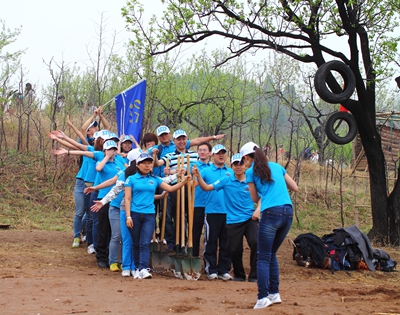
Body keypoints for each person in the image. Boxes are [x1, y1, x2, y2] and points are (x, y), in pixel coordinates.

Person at [239, 142, 298, 309]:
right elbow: (295, 187)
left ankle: (262, 297)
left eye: (244, 161)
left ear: (246, 157)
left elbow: (254, 199)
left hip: (271, 214)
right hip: (287, 212)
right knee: (271, 254)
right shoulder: (277, 166)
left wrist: (264, 194)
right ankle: (274, 293)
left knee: (263, 257)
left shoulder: (250, 172)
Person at [194, 153, 260, 282]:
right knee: (234, 248)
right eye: (235, 164)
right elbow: (207, 187)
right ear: (232, 166)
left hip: (249, 218)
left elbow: (262, 196)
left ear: (245, 165)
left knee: (256, 242)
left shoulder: (251, 179)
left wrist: (257, 210)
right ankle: (239, 275)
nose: (238, 167)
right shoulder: (226, 179)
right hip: (233, 220)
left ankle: (254, 275)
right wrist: (198, 176)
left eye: (241, 164)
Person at [124, 152, 191, 279]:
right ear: (138, 165)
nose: (147, 165)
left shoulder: (154, 179)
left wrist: (184, 181)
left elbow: (170, 189)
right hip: (135, 214)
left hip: (149, 215)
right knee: (136, 243)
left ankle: (143, 268)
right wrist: (128, 216)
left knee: (145, 243)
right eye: (144, 163)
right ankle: (137, 268)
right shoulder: (131, 179)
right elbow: (127, 198)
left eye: (149, 163)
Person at [197, 144, 233, 281]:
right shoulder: (206, 171)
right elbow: (196, 184)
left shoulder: (231, 172)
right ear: (212, 155)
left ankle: (224, 269)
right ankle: (211, 268)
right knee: (210, 241)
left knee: (226, 242)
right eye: (218, 153)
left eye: (223, 153)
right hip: (212, 211)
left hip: (228, 212)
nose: (221, 155)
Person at [192, 142, 212, 257]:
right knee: (195, 232)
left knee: (209, 235)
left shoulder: (213, 167)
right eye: (200, 150)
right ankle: (194, 256)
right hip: (196, 203)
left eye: (205, 150)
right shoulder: (193, 167)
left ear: (210, 153)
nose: (202, 152)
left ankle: (208, 259)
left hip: (210, 205)